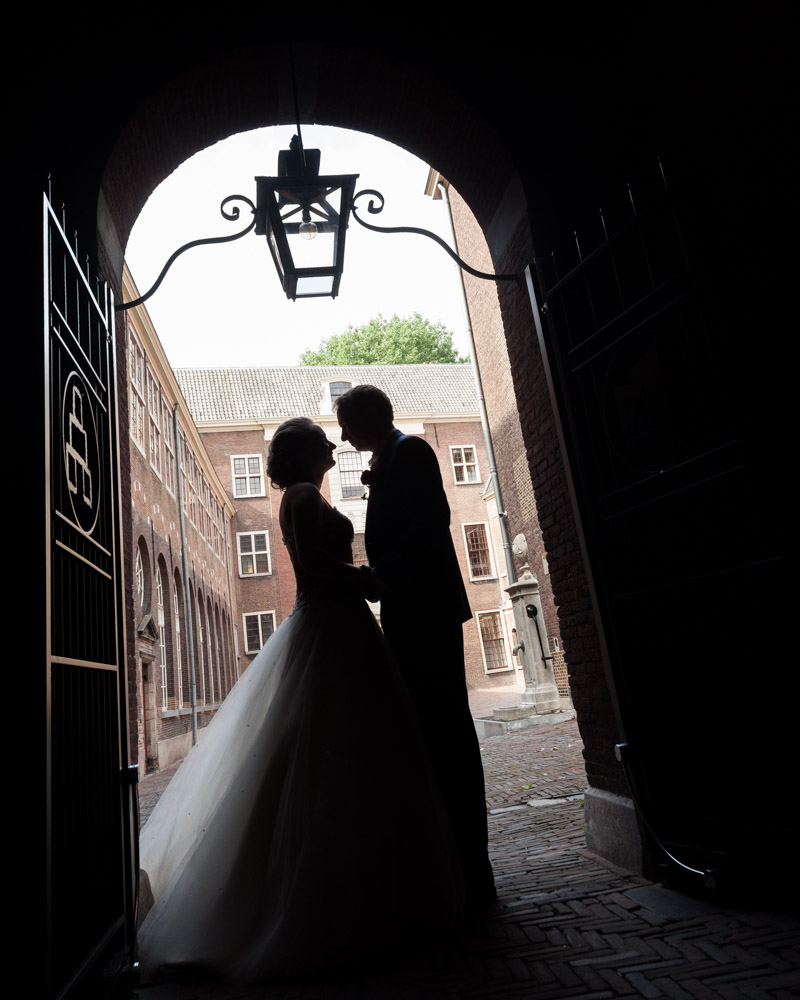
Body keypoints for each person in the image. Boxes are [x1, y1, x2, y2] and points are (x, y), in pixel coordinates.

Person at [136, 417, 465, 984]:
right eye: (322, 437)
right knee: (338, 747)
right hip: (333, 626)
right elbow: (313, 566)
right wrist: (364, 578)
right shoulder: (305, 494)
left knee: (333, 747)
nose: (332, 443)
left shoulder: (300, 494)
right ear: (303, 452)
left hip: (337, 624)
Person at [335, 385, 495, 909]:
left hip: (425, 613)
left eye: (347, 425)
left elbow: (429, 532)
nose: (342, 437)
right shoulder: (393, 456)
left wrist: (378, 578)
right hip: (412, 614)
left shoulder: (411, 451)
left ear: (368, 420)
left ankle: (474, 870)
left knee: (447, 732)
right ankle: (455, 865)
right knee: (432, 734)